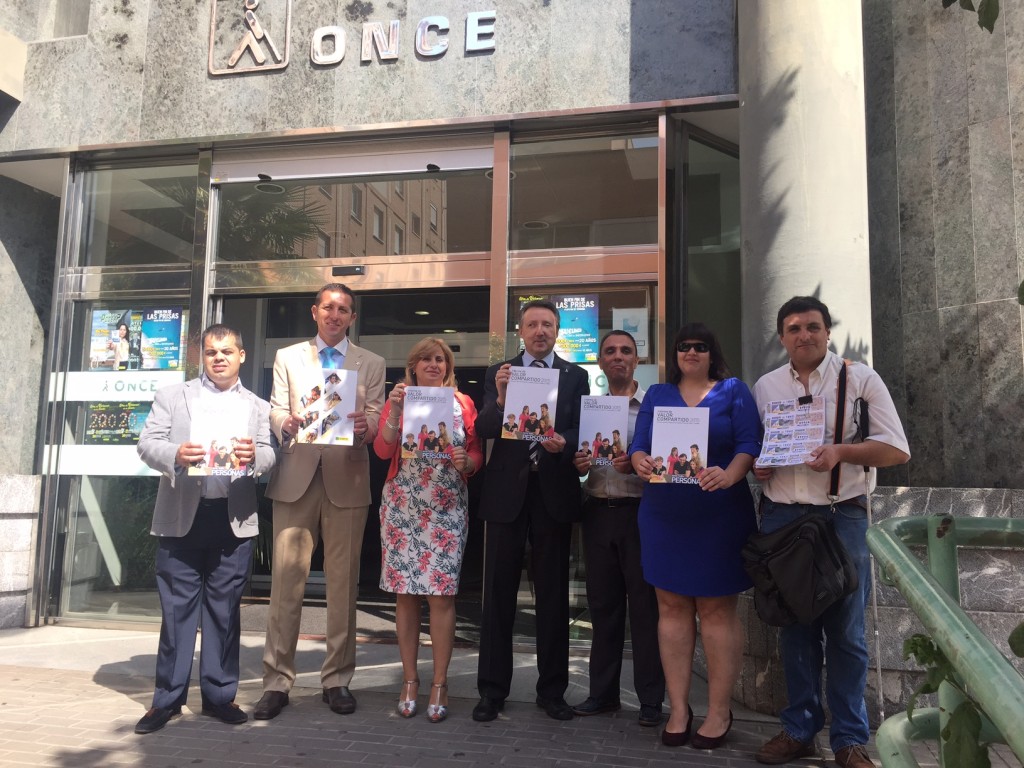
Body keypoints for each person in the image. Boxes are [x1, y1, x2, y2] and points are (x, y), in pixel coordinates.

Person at [751, 297, 909, 768]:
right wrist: (760, 465)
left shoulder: (860, 380)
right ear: (782, 337)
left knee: (847, 632)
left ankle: (849, 739)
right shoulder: (766, 386)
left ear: (827, 331)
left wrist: (841, 452)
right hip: (783, 517)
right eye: (794, 328)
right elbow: (759, 447)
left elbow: (895, 450)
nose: (804, 335)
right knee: (794, 629)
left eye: (813, 326)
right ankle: (799, 729)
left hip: (843, 516)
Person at [133, 324, 275, 735]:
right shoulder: (173, 396)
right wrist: (175, 453)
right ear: (202, 357)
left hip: (232, 519)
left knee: (224, 612)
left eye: (226, 351)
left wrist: (255, 456)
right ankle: (166, 700)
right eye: (211, 352)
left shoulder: (257, 406)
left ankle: (218, 696)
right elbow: (147, 443)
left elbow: (270, 454)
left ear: (241, 355)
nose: (219, 358)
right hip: (182, 517)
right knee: (177, 612)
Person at [255, 283, 385, 721]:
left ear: (352, 317)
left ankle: (337, 679)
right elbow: (274, 408)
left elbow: (377, 416)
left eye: (343, 309)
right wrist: (286, 421)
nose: (335, 315)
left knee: (343, 585)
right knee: (285, 584)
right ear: (315, 312)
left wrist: (366, 426)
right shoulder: (288, 357)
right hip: (296, 476)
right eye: (328, 307)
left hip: (347, 476)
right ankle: (276, 682)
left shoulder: (371, 362)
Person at [630, 322, 761, 751]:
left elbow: (749, 444)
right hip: (665, 516)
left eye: (700, 346)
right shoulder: (657, 395)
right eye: (684, 346)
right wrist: (640, 460)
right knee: (671, 608)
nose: (691, 352)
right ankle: (679, 709)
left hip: (718, 515)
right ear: (675, 354)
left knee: (716, 611)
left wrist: (731, 474)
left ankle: (719, 711)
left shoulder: (734, 391)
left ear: (712, 353)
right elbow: (639, 445)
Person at [472, 299, 590, 722]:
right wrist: (502, 397)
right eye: (533, 324)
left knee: (553, 596)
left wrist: (566, 442)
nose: (540, 331)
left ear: (557, 331)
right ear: (520, 331)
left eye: (548, 325)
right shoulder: (499, 372)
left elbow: (581, 427)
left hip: (553, 491)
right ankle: (491, 691)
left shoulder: (575, 376)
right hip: (506, 494)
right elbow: (485, 428)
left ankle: (552, 691)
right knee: (498, 595)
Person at [373, 338, 484, 723]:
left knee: (441, 596)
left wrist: (467, 463)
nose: (434, 364)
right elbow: (382, 450)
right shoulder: (400, 399)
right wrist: (394, 411)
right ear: (414, 366)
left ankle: (440, 683)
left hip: (446, 508)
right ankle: (409, 680)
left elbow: (476, 452)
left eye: (440, 359)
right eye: (426, 359)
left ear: (448, 367)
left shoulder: (462, 403)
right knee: (405, 596)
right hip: (403, 505)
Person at [570, 330, 665, 727]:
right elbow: (579, 459)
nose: (618, 357)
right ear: (601, 361)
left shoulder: (654, 409)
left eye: (626, 351)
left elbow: (668, 461)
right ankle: (603, 694)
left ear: (636, 360)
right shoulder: (589, 410)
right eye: (610, 351)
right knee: (603, 608)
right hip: (597, 511)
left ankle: (650, 700)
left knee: (645, 610)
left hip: (640, 513)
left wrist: (642, 464)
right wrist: (578, 465)